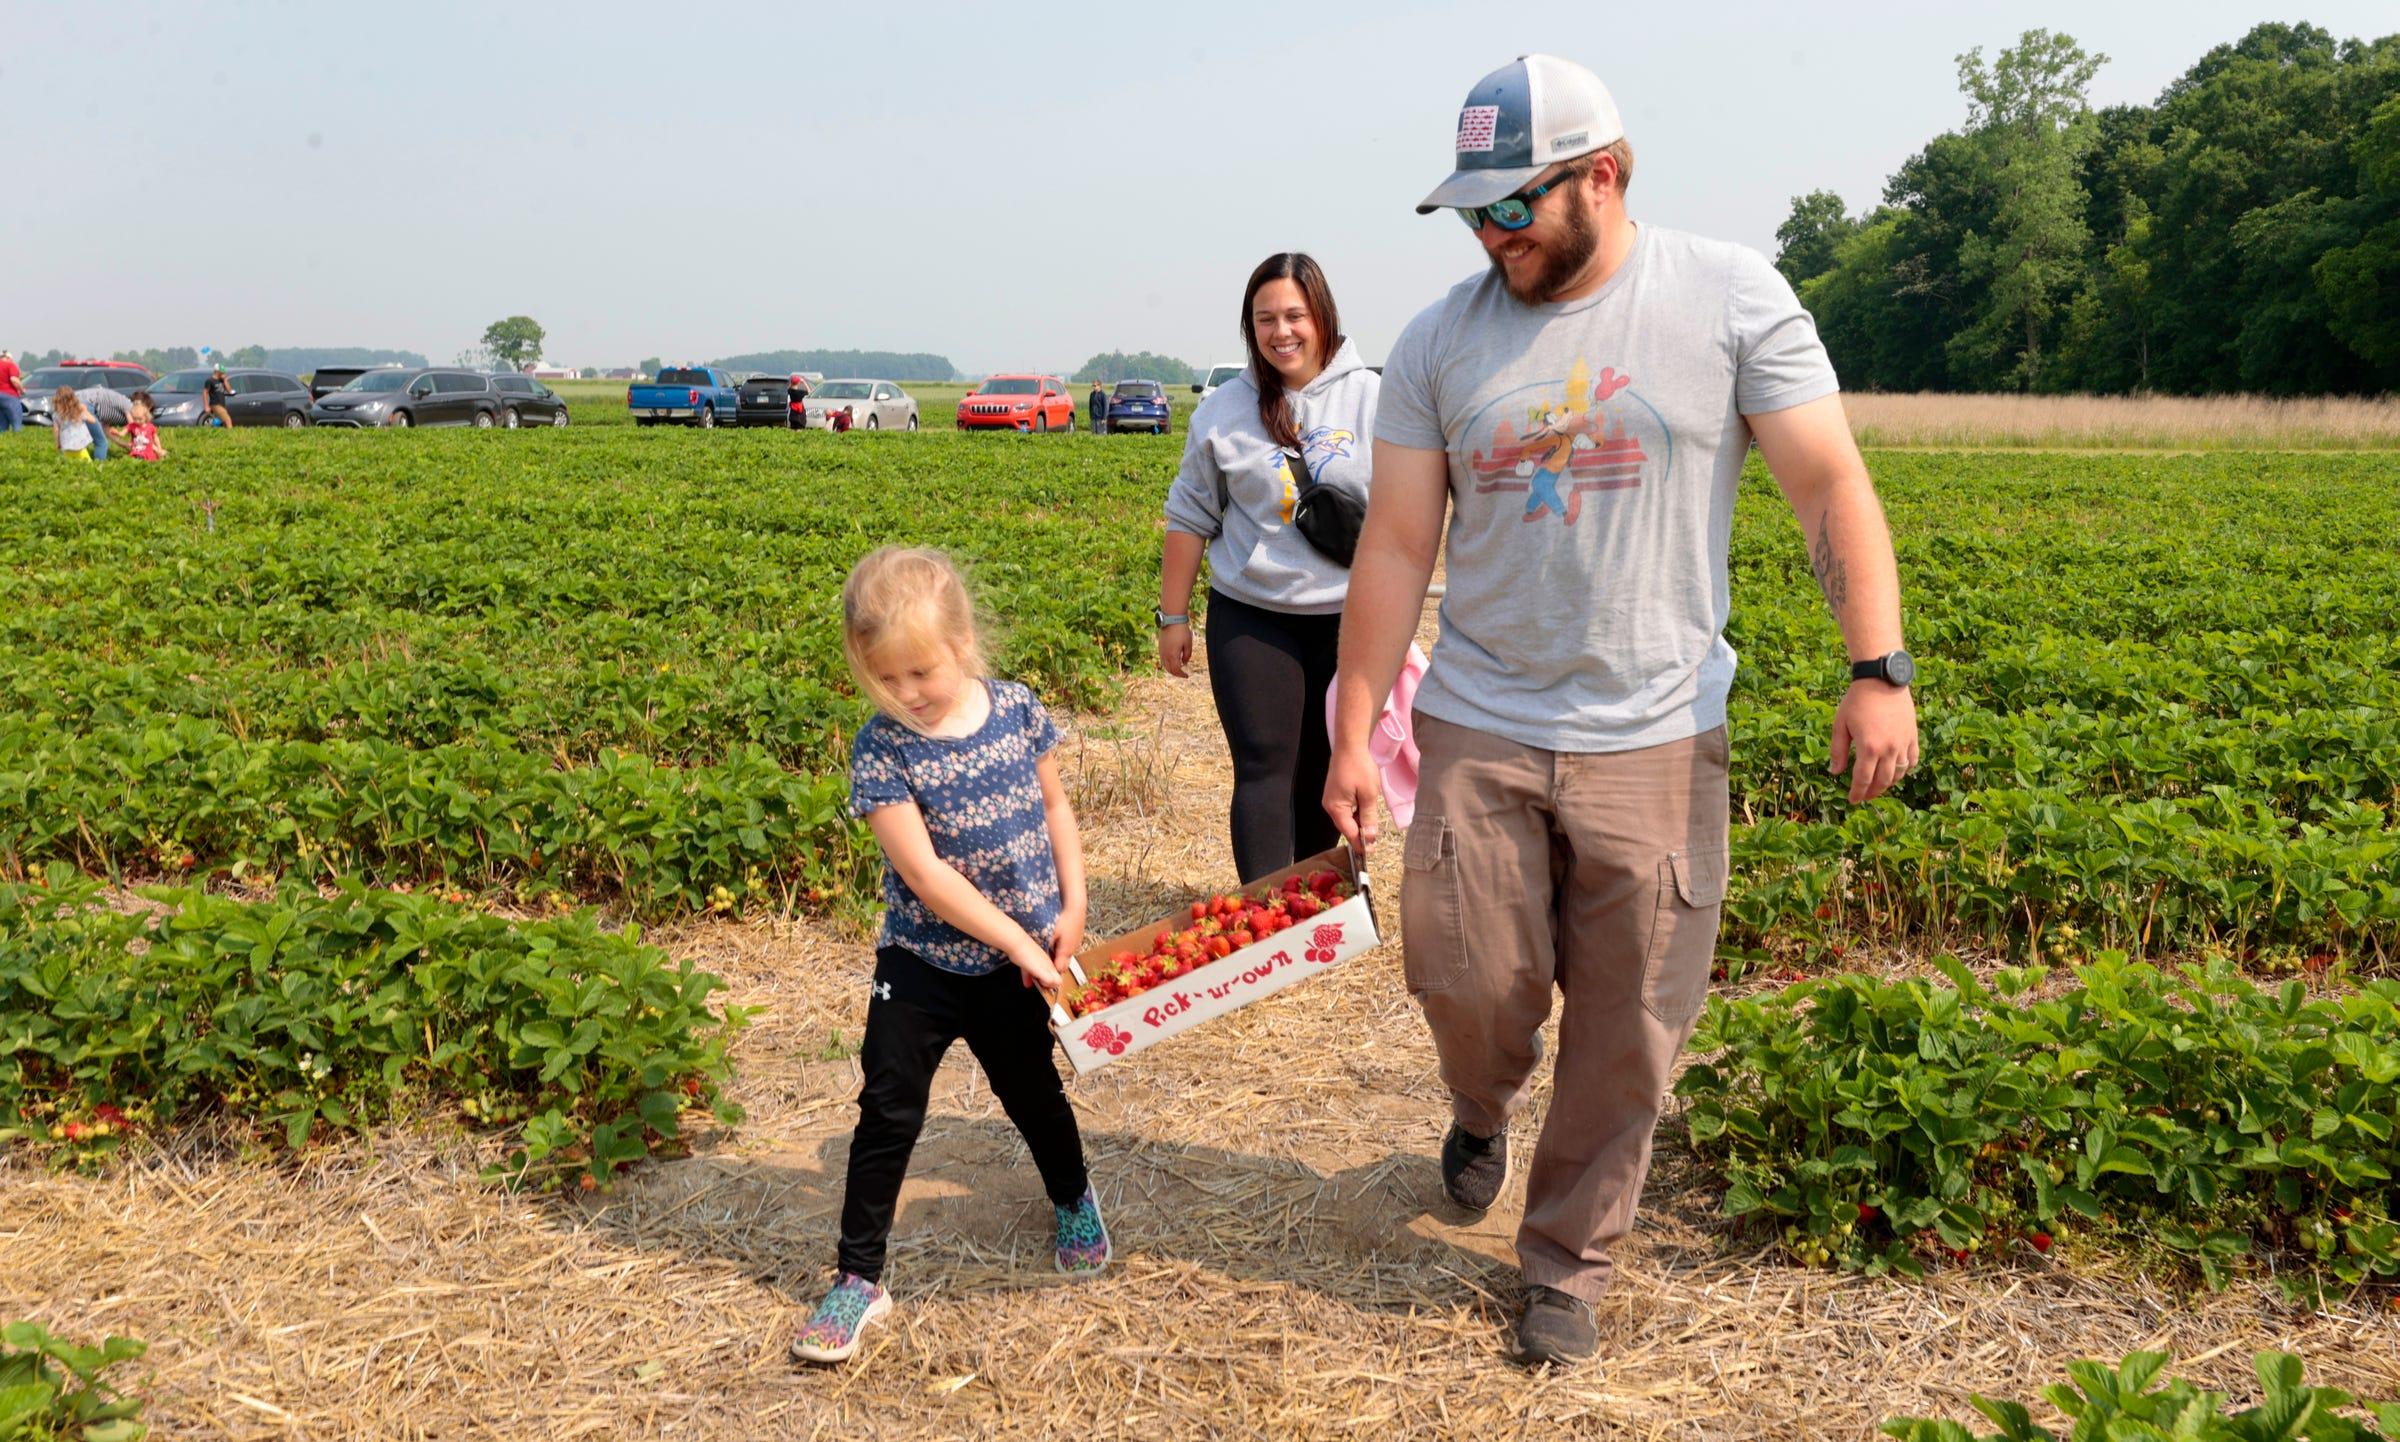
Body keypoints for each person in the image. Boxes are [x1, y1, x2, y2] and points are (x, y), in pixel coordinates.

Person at [1323, 54, 1919, 1370]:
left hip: (1655, 730)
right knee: (1468, 976)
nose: (1492, 235)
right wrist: (1357, 717)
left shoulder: (1726, 298)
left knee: (1633, 1025)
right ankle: (1480, 1102)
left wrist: (1877, 664)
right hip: (1479, 715)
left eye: (1514, 206)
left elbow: (1828, 487)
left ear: (1603, 174)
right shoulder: (1438, 341)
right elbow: (1397, 546)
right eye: (1473, 212)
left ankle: (1566, 1259)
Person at [792, 546, 1108, 1366]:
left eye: (920, 674)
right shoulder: (882, 749)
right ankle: (859, 1276)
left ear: (963, 644)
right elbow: (926, 877)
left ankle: (1073, 1197)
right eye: (884, 679)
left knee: (1032, 1090)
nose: (905, 695)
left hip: (1016, 969)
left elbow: (1054, 805)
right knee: (888, 1108)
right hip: (922, 965)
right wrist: (1015, 939)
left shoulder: (1017, 711)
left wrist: (1072, 906)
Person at [1161, 253, 1379, 882]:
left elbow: (1405, 513)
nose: (1280, 332)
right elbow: (1189, 513)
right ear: (1249, 329)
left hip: (1348, 616)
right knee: (1263, 763)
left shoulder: (1373, 399)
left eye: (1294, 316)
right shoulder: (1225, 409)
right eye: (1264, 321)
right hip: (1252, 614)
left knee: (1328, 762)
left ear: (1322, 317)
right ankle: (1263, 919)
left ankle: (1323, 906)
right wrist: (1173, 616)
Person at [75, 386, 135, 462]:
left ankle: (76, 463)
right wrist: (138, 443)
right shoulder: (129, 404)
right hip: (85, 404)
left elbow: (106, 431)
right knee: (101, 443)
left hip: (71, 402)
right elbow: (134, 428)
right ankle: (99, 467)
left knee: (75, 441)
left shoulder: (107, 410)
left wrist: (125, 444)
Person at [51, 389, 95, 461]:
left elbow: (56, 431)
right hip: (80, 445)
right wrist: (85, 410)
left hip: (66, 446)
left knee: (69, 465)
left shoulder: (56, 415)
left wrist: (58, 443)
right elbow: (93, 420)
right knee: (87, 465)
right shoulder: (77, 412)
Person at [125, 392, 166, 461]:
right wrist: (158, 450)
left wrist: (159, 449)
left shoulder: (147, 423)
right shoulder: (132, 415)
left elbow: (152, 438)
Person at [0, 349, 23, 433]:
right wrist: (21, 390)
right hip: (9, 395)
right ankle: (18, 440)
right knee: (16, 422)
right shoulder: (10, 365)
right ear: (9, 358)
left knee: (1, 424)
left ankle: (3, 442)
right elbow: (13, 379)